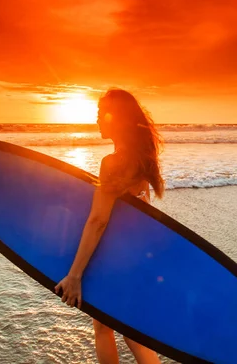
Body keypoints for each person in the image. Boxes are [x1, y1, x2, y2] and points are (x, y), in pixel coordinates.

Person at [54, 88, 165, 364]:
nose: (97, 121)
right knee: (124, 328)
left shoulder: (113, 162)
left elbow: (98, 219)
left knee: (106, 327)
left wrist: (74, 275)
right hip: (133, 256)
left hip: (113, 259)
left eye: (101, 115)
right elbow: (140, 214)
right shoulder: (141, 160)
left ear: (117, 119)